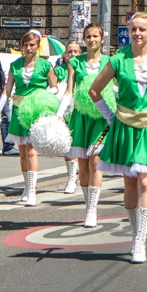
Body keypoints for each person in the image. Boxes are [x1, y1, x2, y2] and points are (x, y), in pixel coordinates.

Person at [90, 12, 147, 263]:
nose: (138, 33)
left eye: (142, 30)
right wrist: (110, 117)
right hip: (124, 126)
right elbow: (95, 91)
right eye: (134, 29)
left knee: (146, 183)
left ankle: (140, 240)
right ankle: (134, 230)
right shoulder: (118, 60)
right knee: (129, 183)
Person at [0, 30, 59, 206]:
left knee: (31, 150)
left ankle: (32, 190)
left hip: (36, 111)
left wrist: (43, 97)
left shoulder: (46, 66)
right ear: (22, 47)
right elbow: (7, 89)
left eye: (32, 45)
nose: (28, 48)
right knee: (22, 152)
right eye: (25, 45)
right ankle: (26, 185)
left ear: (37, 47)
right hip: (18, 111)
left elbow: (55, 87)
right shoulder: (15, 65)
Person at [58, 24, 110, 224]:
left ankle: (92, 209)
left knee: (96, 162)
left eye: (95, 36)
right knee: (83, 165)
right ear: (84, 39)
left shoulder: (109, 62)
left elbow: (116, 88)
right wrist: (59, 114)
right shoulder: (75, 62)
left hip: (101, 118)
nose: (92, 39)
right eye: (88, 36)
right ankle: (88, 203)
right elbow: (69, 91)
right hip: (80, 117)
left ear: (102, 39)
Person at [55, 40, 82, 192]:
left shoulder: (83, 69)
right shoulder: (60, 70)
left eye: (75, 52)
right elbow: (52, 81)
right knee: (67, 147)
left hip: (79, 110)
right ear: (65, 55)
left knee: (78, 146)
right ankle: (71, 178)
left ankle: (78, 176)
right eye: (69, 52)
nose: (72, 54)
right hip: (65, 111)